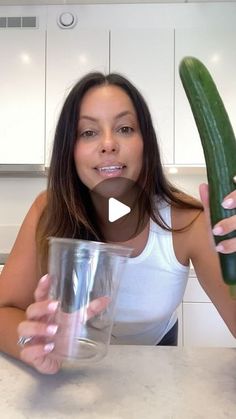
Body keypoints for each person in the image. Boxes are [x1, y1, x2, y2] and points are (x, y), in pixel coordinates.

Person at [0, 72, 235, 375]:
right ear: (69, 150)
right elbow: (4, 310)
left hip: (154, 359)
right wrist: (34, 341)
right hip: (70, 364)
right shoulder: (48, 209)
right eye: (88, 132)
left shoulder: (187, 220)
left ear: (145, 143)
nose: (108, 144)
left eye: (125, 128)